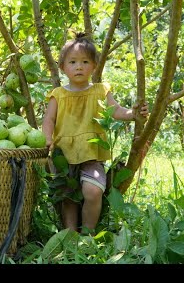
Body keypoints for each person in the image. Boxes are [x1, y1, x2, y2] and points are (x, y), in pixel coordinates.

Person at [42, 32, 149, 235]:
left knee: (93, 191)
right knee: (68, 196)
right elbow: (49, 119)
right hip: (64, 155)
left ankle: (88, 235)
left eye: (84, 61)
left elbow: (115, 111)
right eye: (72, 62)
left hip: (92, 154)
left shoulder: (100, 91)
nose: (79, 66)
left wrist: (133, 113)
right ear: (63, 67)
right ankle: (71, 235)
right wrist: (47, 138)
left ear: (94, 66)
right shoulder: (58, 94)